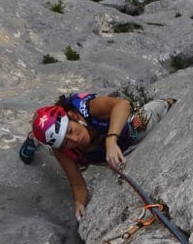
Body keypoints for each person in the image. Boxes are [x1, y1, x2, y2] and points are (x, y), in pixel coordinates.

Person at [27, 91, 176, 221]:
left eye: (71, 130)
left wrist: (111, 140)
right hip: (116, 149)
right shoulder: (61, 150)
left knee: (153, 113)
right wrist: (79, 203)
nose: (75, 140)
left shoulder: (88, 108)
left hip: (131, 129)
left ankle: (167, 102)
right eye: (66, 142)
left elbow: (122, 104)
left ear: (72, 116)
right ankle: (34, 138)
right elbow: (77, 184)